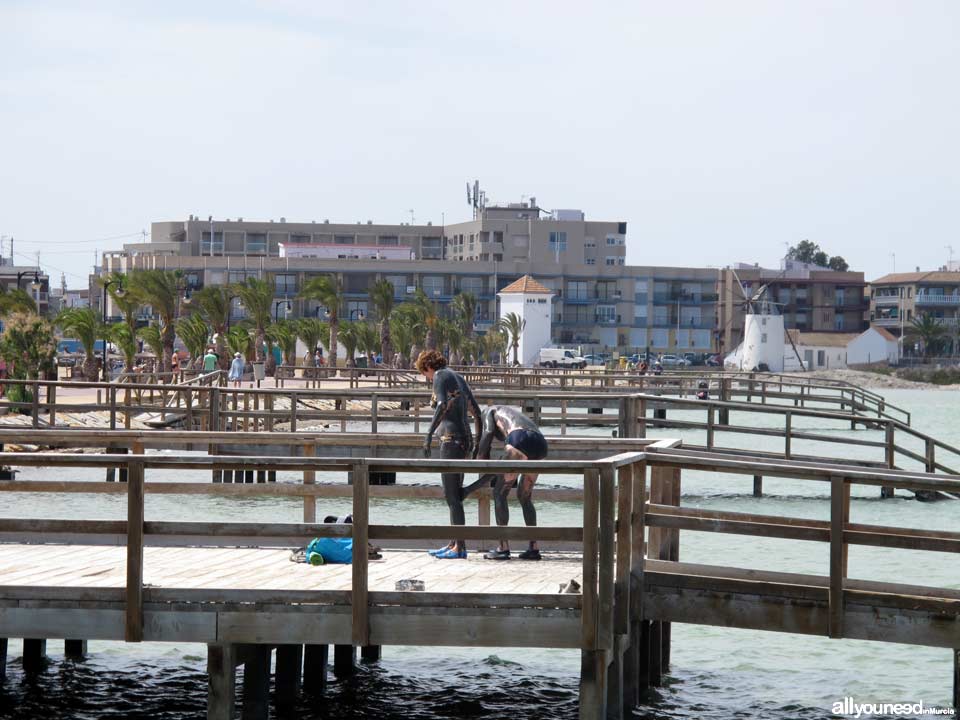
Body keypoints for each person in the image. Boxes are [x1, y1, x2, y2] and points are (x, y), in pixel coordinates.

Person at [415, 349, 481, 559]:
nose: (426, 378)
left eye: (423, 373)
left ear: (428, 367)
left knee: (452, 496)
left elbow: (442, 405)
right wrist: (477, 443)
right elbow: (476, 412)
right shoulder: (457, 377)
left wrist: (427, 434)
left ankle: (459, 547)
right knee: (455, 494)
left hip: (450, 440)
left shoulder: (439, 376)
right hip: (465, 439)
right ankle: (454, 542)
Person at [463, 405, 548, 561]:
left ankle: (503, 547)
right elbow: (498, 468)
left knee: (499, 493)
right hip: (540, 443)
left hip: (519, 438)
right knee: (524, 496)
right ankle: (533, 548)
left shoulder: (490, 411)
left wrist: (479, 458)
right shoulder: (513, 414)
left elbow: (488, 433)